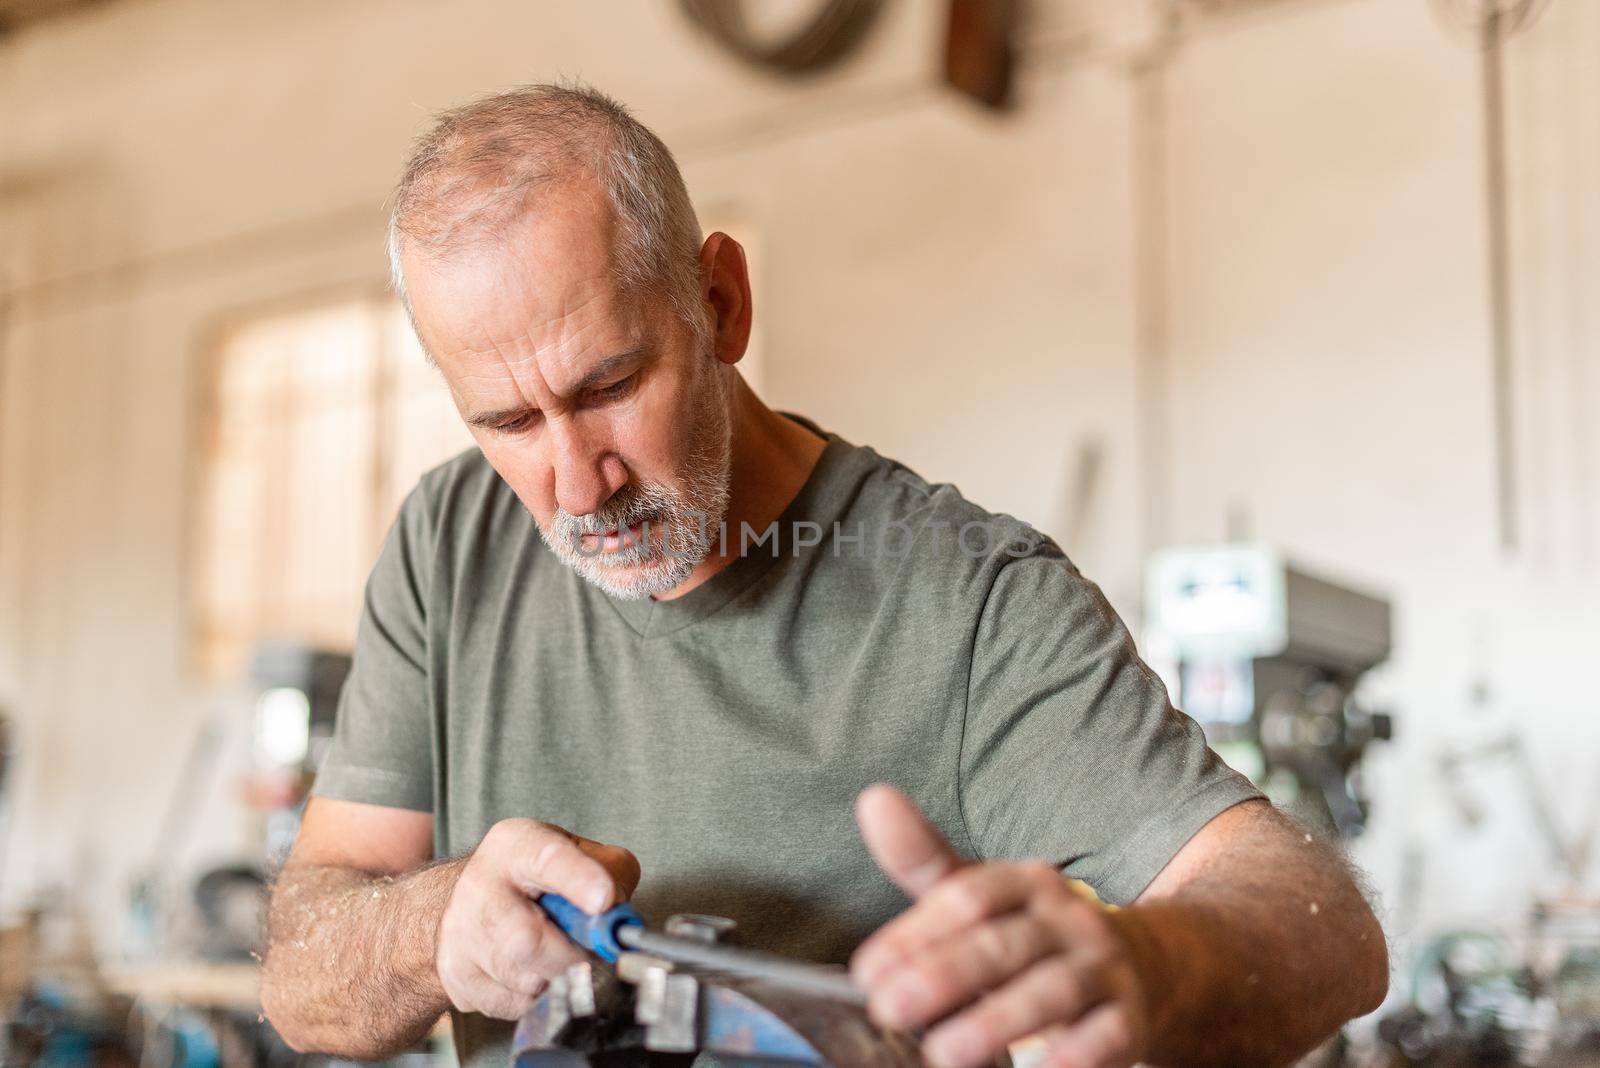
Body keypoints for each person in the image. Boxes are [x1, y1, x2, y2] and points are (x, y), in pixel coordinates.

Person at [260, 83, 1387, 1068]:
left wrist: (1145, 964)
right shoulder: (450, 542)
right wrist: (432, 928)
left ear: (720, 304)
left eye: (607, 387)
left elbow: (1327, 931)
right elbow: (300, 975)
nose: (575, 485)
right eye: (505, 421)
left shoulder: (966, 602)